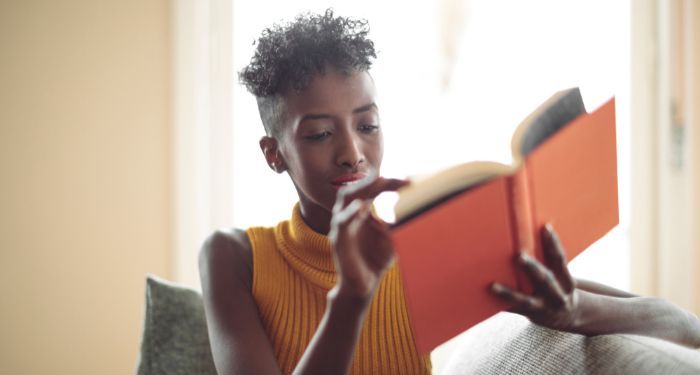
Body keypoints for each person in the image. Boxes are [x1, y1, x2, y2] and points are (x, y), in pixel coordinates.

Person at [199, 9, 700, 375]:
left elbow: (681, 325)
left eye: (367, 125)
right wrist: (352, 296)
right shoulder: (234, 257)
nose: (353, 153)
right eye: (320, 134)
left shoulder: (421, 250)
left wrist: (574, 311)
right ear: (274, 153)